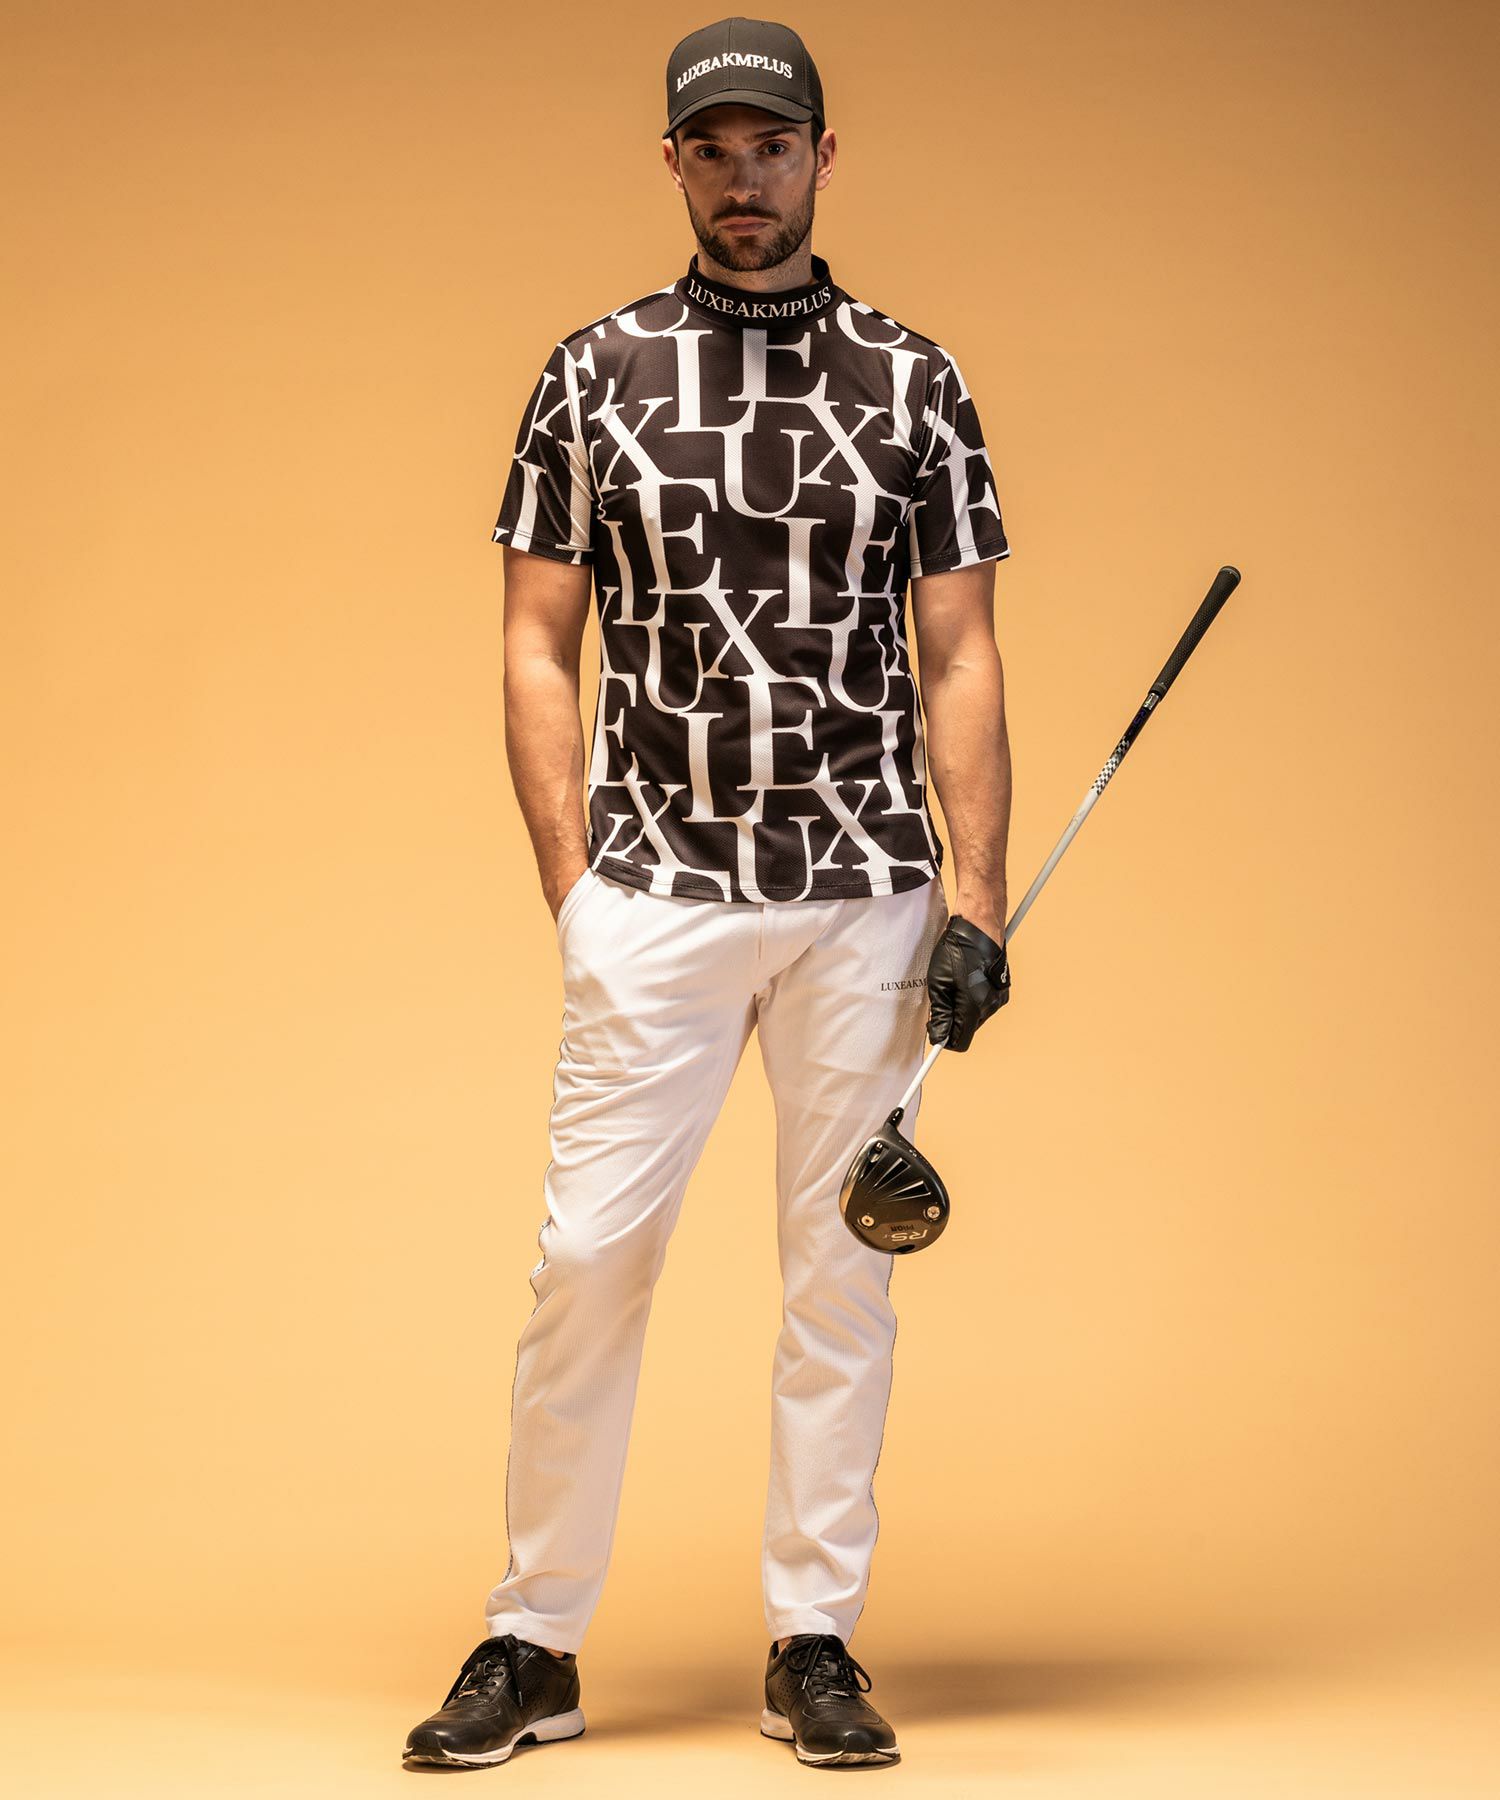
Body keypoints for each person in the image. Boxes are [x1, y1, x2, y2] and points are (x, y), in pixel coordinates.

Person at [404, 14, 1013, 1774]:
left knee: (843, 1276)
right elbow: (538, 642)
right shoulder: (591, 375)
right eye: (713, 149)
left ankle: (812, 1639)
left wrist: (977, 898)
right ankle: (535, 1642)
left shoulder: (915, 383)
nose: (745, 179)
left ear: (825, 156)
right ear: (672, 163)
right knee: (589, 1262)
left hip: (862, 891)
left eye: (774, 146)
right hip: (656, 889)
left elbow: (960, 652)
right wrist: (573, 886)